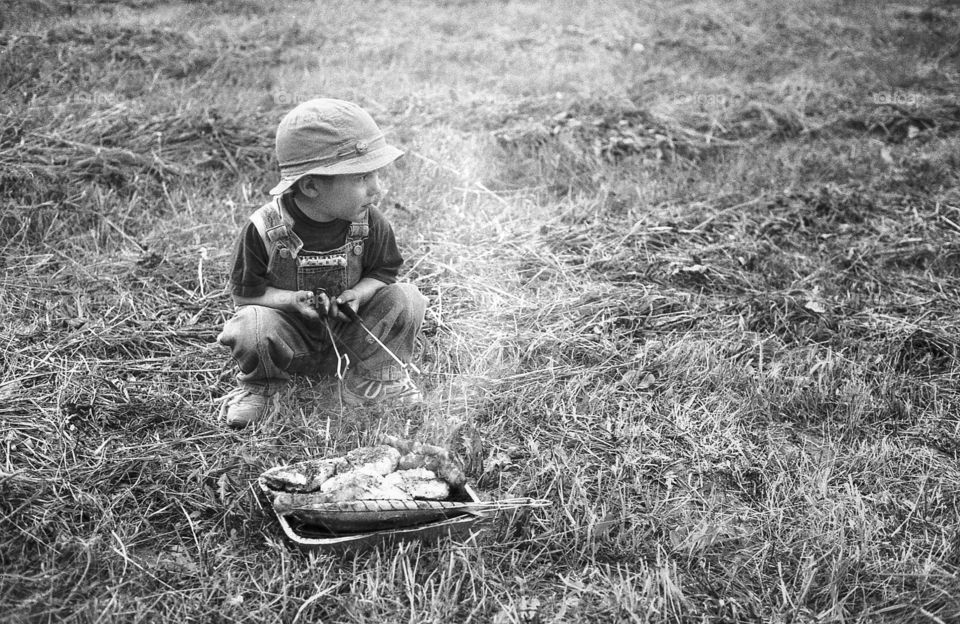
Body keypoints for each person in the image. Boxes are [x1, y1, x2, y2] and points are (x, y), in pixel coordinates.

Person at [217, 98, 427, 428]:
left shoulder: (371, 223)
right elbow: (246, 296)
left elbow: (384, 274)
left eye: (375, 175)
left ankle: (377, 378)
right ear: (311, 185)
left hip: (352, 337)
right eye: (361, 178)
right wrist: (289, 300)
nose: (377, 189)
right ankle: (262, 387)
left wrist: (360, 292)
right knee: (250, 324)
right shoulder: (264, 229)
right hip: (291, 342)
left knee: (407, 299)